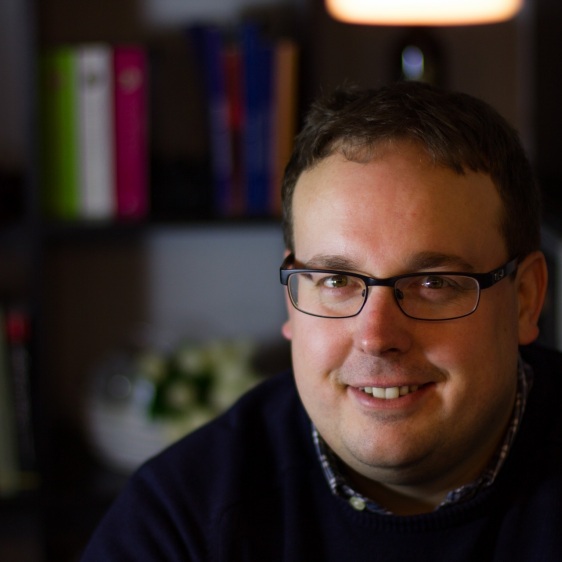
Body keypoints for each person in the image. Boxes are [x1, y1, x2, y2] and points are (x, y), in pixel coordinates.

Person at [81, 81, 562, 561]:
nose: (376, 337)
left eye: (433, 283)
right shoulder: (179, 520)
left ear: (525, 299)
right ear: (292, 301)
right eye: (336, 281)